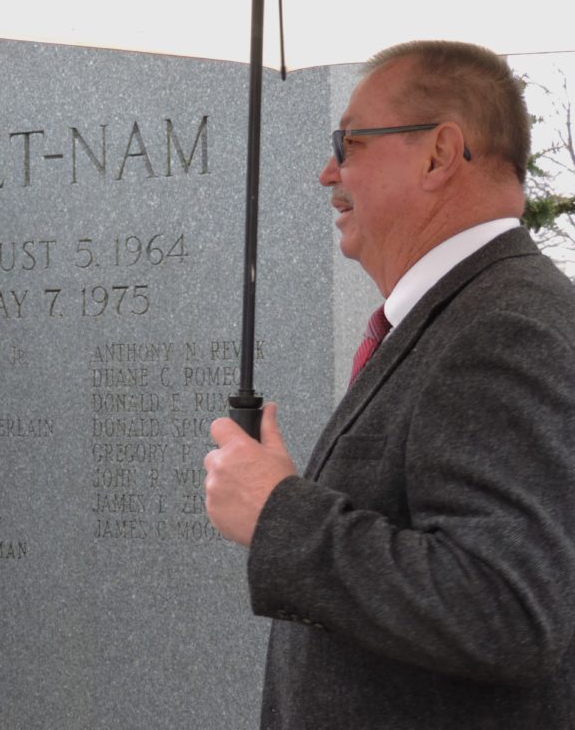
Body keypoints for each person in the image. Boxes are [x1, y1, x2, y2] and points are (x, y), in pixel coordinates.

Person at [203, 40, 575, 728]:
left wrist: (279, 514)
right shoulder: (471, 313)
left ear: (438, 155)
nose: (326, 173)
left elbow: (508, 609)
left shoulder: (502, 330)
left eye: (348, 144)